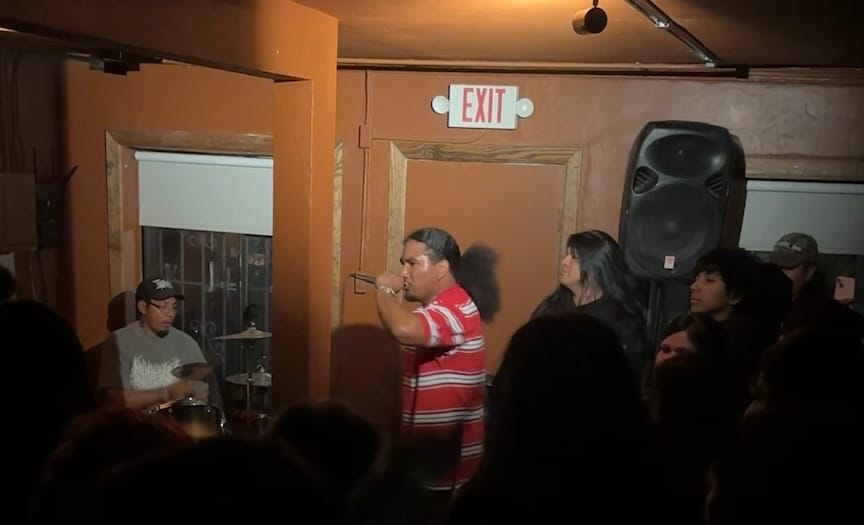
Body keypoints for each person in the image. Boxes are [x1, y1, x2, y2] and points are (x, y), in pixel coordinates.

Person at [372, 227, 493, 500]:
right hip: (425, 462)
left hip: (447, 472)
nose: (403, 273)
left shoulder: (456, 308)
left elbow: (402, 328)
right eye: (403, 264)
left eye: (412, 263)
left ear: (441, 268)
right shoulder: (433, 311)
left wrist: (384, 289)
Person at [530, 230, 648, 385]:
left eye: (574, 257)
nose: (564, 262)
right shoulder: (551, 307)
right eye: (566, 255)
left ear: (596, 267)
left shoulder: (620, 321)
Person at [98, 276, 209, 411]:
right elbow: (117, 399)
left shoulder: (187, 343)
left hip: (177, 422)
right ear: (143, 307)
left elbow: (202, 389)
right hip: (136, 423)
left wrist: (199, 393)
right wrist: (166, 393)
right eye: (163, 306)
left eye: (174, 307)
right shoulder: (119, 341)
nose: (170, 313)